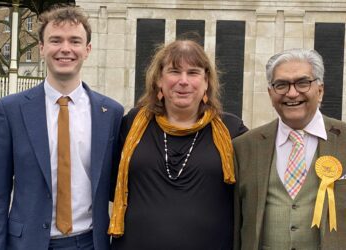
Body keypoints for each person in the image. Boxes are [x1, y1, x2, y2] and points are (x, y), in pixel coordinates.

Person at [0, 6, 123, 250]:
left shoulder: (111, 113)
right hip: (27, 243)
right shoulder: (10, 110)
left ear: (87, 50)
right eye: (55, 40)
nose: (65, 48)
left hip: (90, 242)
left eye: (75, 41)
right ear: (42, 48)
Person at [108, 39, 247, 250]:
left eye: (193, 73)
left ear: (206, 82)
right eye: (174, 71)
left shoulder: (232, 130)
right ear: (159, 81)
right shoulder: (133, 124)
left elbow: (251, 193)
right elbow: (109, 183)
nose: (183, 81)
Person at [233, 48, 346, 250]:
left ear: (320, 90)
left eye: (303, 83)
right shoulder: (244, 147)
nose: (292, 93)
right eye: (281, 85)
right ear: (270, 93)